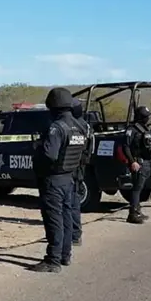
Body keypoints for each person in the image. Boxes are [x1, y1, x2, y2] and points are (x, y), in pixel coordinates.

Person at [31, 88, 86, 272]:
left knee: (54, 219)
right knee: (66, 217)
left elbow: (49, 156)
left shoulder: (56, 127)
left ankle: (52, 260)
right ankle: (65, 255)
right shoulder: (79, 127)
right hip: (69, 178)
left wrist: (37, 148)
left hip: (53, 179)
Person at [121, 105, 151, 224]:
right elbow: (125, 147)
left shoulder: (144, 129)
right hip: (138, 162)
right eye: (145, 117)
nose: (147, 119)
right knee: (136, 188)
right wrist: (132, 161)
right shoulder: (131, 130)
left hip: (148, 162)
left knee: (140, 187)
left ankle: (138, 210)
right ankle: (132, 214)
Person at [69, 98, 93, 245]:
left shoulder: (75, 126)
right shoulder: (85, 126)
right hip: (78, 166)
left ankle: (75, 234)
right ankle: (72, 233)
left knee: (72, 202)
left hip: (73, 168)